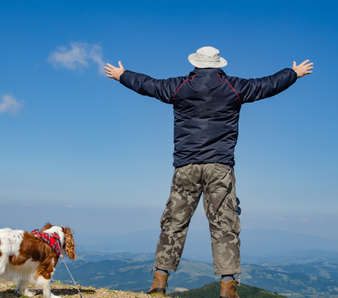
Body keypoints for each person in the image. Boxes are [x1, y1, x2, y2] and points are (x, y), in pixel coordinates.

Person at [104, 46, 313, 298]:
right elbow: (266, 85)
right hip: (220, 167)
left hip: (186, 165)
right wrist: (293, 73)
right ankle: (227, 287)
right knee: (224, 225)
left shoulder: (180, 87)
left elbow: (149, 85)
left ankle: (159, 282)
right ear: (218, 64)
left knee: (174, 222)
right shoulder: (233, 87)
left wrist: (122, 75)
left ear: (195, 64)